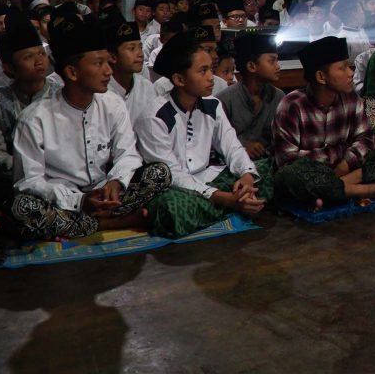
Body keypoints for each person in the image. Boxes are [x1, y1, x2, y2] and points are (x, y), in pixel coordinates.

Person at [9, 15, 171, 239]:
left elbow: (128, 154)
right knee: (22, 208)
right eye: (98, 63)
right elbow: (29, 181)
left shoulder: (112, 103)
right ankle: (110, 222)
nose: (108, 71)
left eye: (108, 62)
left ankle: (88, 222)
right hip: (65, 201)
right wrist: (80, 200)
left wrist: (116, 182)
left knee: (160, 173)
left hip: (106, 192)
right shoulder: (34, 119)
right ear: (72, 72)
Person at [134, 34, 270, 238]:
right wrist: (223, 198)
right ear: (179, 79)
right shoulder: (154, 117)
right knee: (171, 207)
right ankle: (234, 206)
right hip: (174, 187)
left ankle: (235, 202)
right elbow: (171, 174)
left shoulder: (212, 105)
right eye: (203, 71)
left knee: (265, 168)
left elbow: (232, 147)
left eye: (210, 69)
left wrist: (247, 178)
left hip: (208, 178)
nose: (211, 77)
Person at [272, 37, 375, 211]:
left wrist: (343, 166)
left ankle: (327, 193)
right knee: (291, 176)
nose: (351, 73)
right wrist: (336, 154)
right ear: (321, 77)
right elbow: (287, 160)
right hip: (310, 174)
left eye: (349, 66)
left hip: (343, 169)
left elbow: (365, 141)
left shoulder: (351, 99)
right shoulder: (291, 106)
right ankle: (368, 190)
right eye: (342, 68)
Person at [0, 18, 57, 181]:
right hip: (16, 178)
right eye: (28, 57)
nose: (39, 61)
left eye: (41, 54)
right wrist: (31, 167)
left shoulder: (60, 94)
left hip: (62, 175)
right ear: (9, 68)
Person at [219, 33, 284, 159]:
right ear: (251, 66)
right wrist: (241, 147)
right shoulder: (225, 100)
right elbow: (216, 140)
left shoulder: (279, 97)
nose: (278, 66)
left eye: (277, 60)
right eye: (272, 61)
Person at [103, 15, 156, 123]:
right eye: (132, 48)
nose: (140, 54)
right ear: (112, 57)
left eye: (140, 47)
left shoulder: (146, 87)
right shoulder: (101, 91)